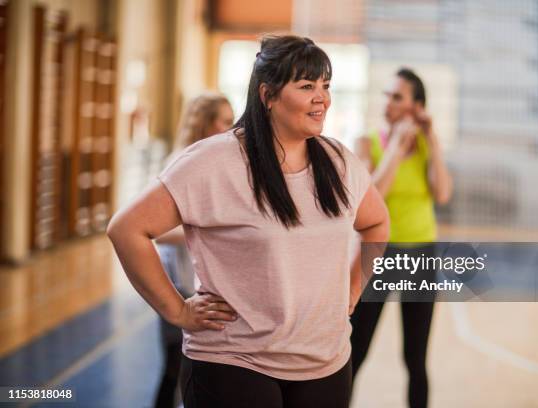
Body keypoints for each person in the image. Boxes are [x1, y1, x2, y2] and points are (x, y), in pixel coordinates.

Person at [106, 34, 389, 408]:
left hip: (325, 362)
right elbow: (127, 229)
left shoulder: (338, 160)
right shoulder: (214, 160)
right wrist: (177, 310)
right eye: (307, 86)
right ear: (268, 96)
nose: (322, 97)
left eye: (325, 85)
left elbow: (377, 224)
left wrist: (351, 293)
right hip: (233, 361)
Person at [350, 68, 453, 408]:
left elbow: (442, 194)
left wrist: (432, 139)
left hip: (421, 254)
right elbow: (372, 196)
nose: (388, 102)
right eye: (387, 95)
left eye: (397, 97)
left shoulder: (425, 146)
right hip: (377, 254)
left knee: (415, 359)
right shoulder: (366, 142)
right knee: (356, 353)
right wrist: (395, 145)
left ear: (415, 107)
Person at [153, 92, 234, 408]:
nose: (231, 129)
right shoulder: (179, 164)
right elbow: (158, 233)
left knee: (198, 373)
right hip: (180, 285)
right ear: (206, 124)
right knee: (175, 371)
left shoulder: (219, 164)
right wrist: (209, 231)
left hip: (204, 286)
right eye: (225, 122)